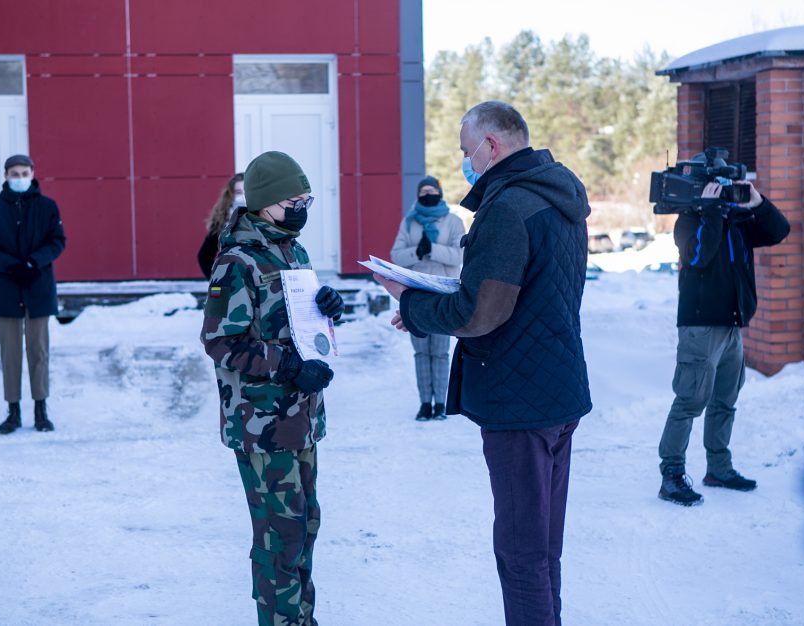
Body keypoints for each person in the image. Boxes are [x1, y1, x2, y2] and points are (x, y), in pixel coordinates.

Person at [375, 101, 591, 626]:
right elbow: (526, 292)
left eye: (465, 150)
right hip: (558, 389)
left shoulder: (507, 207)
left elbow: (481, 311)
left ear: (491, 145)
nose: (463, 161)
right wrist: (433, 307)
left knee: (520, 555)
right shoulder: (557, 195)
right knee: (543, 549)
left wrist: (410, 302)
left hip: (519, 401)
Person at [200, 151, 343, 625]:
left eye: (307, 199)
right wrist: (287, 367)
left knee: (305, 528)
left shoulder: (292, 251)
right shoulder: (237, 260)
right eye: (292, 200)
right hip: (262, 423)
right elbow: (222, 342)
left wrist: (327, 308)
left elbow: (297, 325)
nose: (302, 208)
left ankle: (301, 619)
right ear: (263, 203)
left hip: (300, 418)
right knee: (278, 538)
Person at [657, 179, 790, 506]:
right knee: (690, 400)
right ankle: (671, 476)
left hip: (732, 326)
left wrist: (757, 202)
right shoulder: (688, 221)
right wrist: (711, 212)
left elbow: (779, 231)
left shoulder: (736, 221)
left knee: (725, 400)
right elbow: (699, 255)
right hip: (700, 326)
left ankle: (718, 468)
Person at [0, 154, 66, 434]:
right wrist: (12, 265)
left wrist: (32, 261)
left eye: (24, 173)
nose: (19, 178)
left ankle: (41, 409)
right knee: (10, 353)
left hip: (38, 288)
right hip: (6, 289)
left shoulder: (47, 207)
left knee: (38, 351)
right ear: (5, 176)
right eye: (14, 173)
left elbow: (57, 241)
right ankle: (13, 411)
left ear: (33, 173)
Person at [390, 175, 465, 421]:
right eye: (423, 192)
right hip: (417, 295)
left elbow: (459, 255)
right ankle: (425, 403)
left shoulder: (453, 221)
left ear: (440, 193)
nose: (427, 194)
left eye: (432, 190)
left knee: (441, 351)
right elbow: (396, 255)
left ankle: (440, 404)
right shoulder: (409, 222)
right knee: (421, 351)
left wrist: (432, 249)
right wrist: (417, 252)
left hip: (443, 294)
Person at [198, 173, 245, 278]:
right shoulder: (223, 222)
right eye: (239, 192)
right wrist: (216, 279)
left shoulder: (263, 216)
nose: (243, 196)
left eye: (247, 192)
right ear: (231, 195)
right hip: (234, 283)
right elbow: (204, 256)